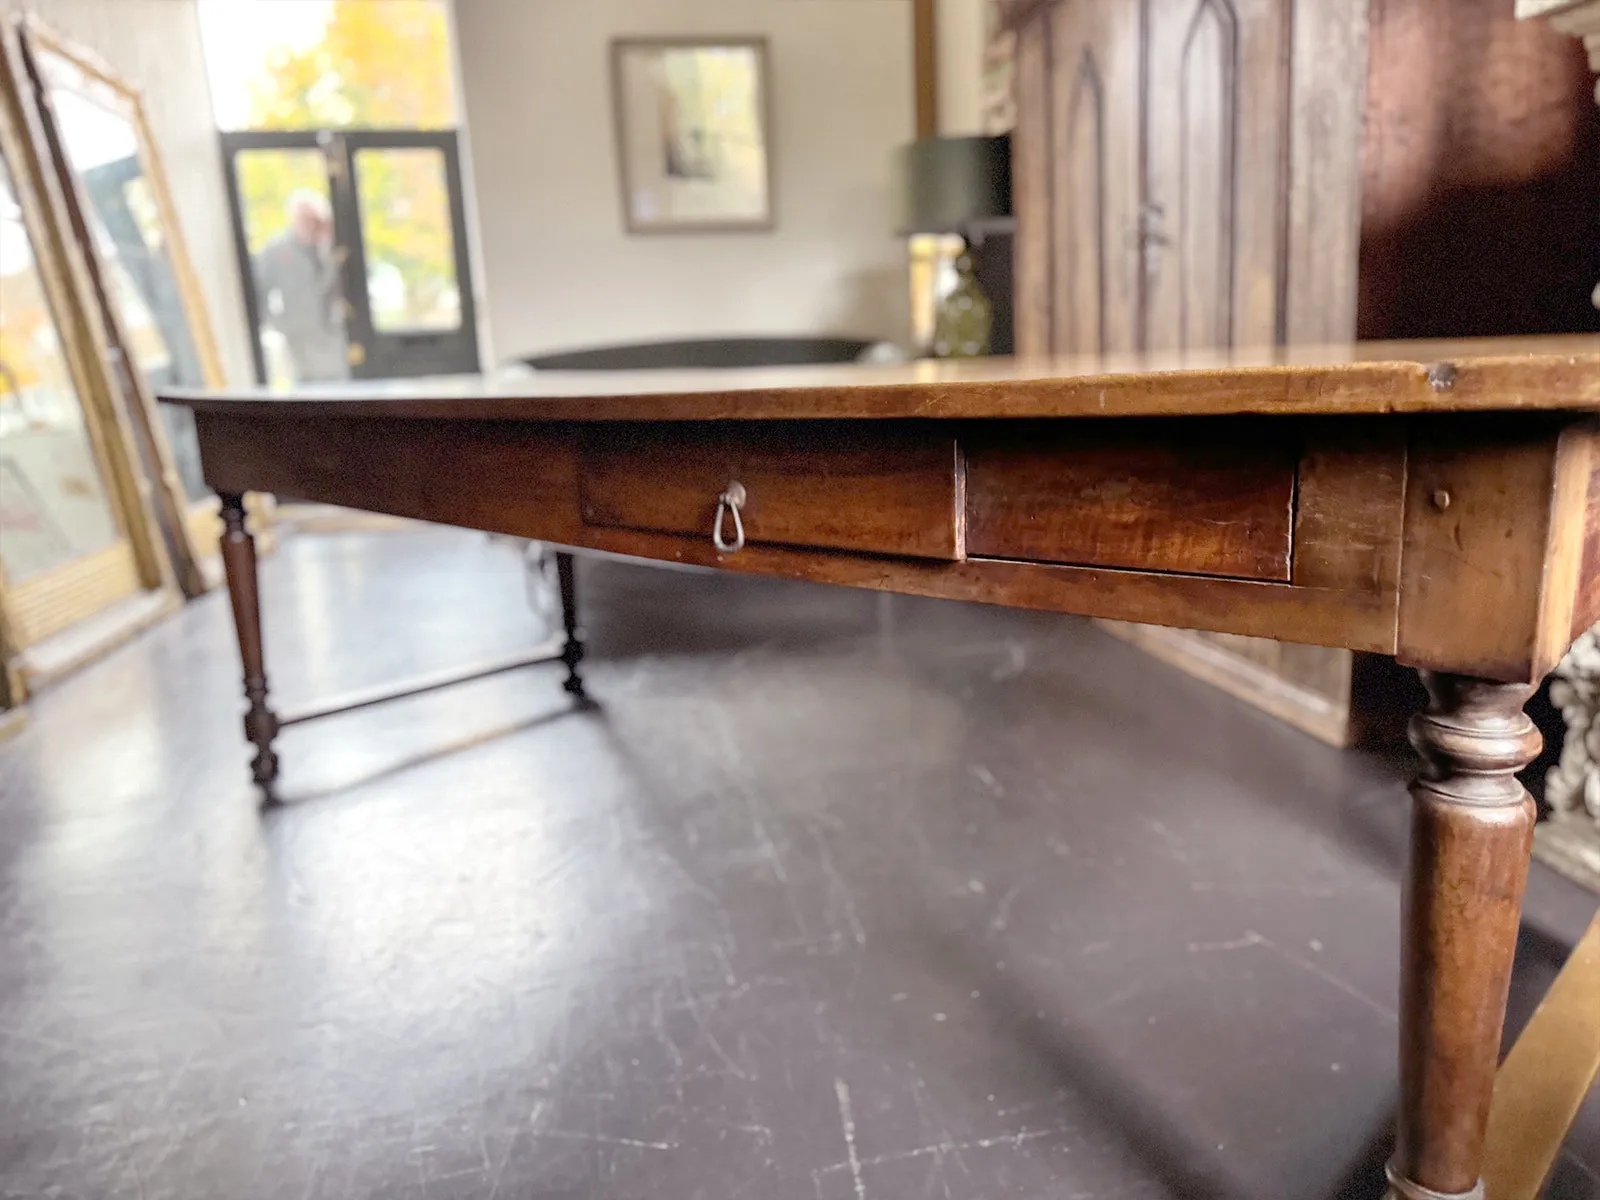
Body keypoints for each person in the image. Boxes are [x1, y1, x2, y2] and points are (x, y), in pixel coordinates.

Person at [252, 190, 349, 383]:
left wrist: (327, 247)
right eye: (305, 219)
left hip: (336, 339)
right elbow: (258, 292)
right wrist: (280, 324)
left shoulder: (337, 247)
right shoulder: (276, 251)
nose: (311, 225)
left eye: (316, 219)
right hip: (300, 340)